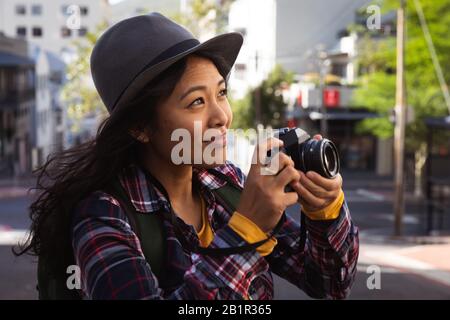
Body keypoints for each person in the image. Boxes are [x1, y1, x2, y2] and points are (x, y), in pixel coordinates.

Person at [17, 12, 359, 300]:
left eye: (221, 93)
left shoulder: (225, 184)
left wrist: (324, 210)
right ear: (140, 126)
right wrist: (246, 233)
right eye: (196, 102)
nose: (222, 116)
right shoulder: (103, 216)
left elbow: (328, 284)